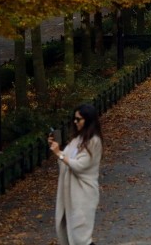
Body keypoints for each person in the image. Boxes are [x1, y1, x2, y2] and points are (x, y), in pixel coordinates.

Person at [49, 104, 103, 245]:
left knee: (81, 237)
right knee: (68, 234)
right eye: (74, 119)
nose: (75, 122)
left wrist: (59, 154)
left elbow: (80, 166)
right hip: (69, 195)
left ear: (88, 120)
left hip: (83, 194)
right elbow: (65, 162)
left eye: (78, 119)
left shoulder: (94, 142)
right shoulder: (76, 140)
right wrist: (57, 150)